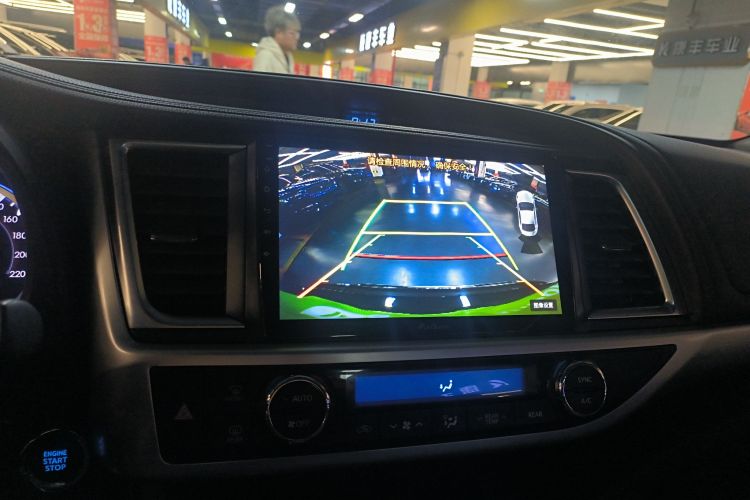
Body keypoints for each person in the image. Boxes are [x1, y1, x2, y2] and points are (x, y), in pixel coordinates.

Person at [254, 5, 300, 74]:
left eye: (297, 33)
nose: (297, 37)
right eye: (292, 33)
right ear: (279, 32)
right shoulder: (266, 56)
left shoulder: (288, 57)